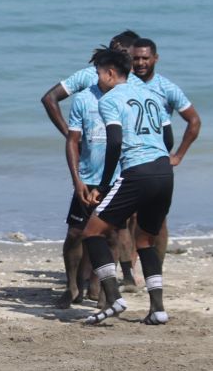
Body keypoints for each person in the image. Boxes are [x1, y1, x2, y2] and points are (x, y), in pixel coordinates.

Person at [77, 48, 174, 325]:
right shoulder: (153, 95)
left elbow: (116, 142)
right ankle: (157, 308)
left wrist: (104, 185)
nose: (97, 80)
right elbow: (168, 137)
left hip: (137, 172)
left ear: (109, 73)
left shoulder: (110, 100)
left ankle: (114, 298)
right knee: (145, 239)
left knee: (92, 232)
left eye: (98, 74)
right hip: (164, 173)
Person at [42, 30, 141, 284]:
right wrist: (71, 135)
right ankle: (82, 283)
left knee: (118, 227)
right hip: (91, 168)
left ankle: (117, 279)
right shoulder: (89, 79)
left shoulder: (135, 86)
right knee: (84, 231)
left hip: (122, 170)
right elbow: (49, 98)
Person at [129, 37, 203, 261]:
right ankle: (130, 269)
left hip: (158, 162)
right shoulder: (124, 84)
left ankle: (156, 269)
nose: (140, 62)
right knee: (128, 217)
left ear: (155, 58)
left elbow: (194, 121)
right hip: (129, 159)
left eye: (145, 58)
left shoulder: (167, 88)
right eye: (136, 58)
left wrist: (178, 156)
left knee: (158, 220)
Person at [63, 82, 115, 308]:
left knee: (111, 236)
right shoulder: (83, 99)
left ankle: (105, 291)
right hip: (87, 178)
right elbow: (72, 140)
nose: (99, 75)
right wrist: (77, 180)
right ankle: (72, 285)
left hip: (115, 180)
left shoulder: (128, 97)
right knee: (75, 233)